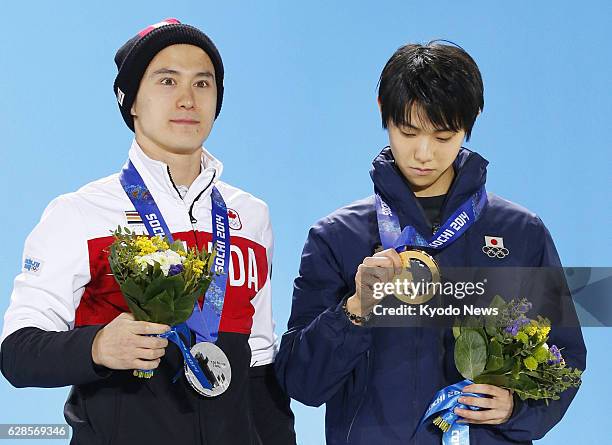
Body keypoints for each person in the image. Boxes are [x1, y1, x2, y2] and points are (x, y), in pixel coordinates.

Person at [0, 18, 295, 445]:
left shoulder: (252, 216)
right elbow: (17, 353)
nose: (187, 99)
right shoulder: (79, 214)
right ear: (132, 100)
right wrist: (97, 347)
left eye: (202, 83)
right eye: (167, 81)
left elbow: (261, 365)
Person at [275, 41, 586, 444]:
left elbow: (566, 360)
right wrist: (353, 311)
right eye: (408, 131)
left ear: (471, 119)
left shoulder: (522, 233)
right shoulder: (337, 236)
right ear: (382, 108)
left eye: (443, 135)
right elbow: (301, 383)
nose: (424, 153)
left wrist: (517, 408)